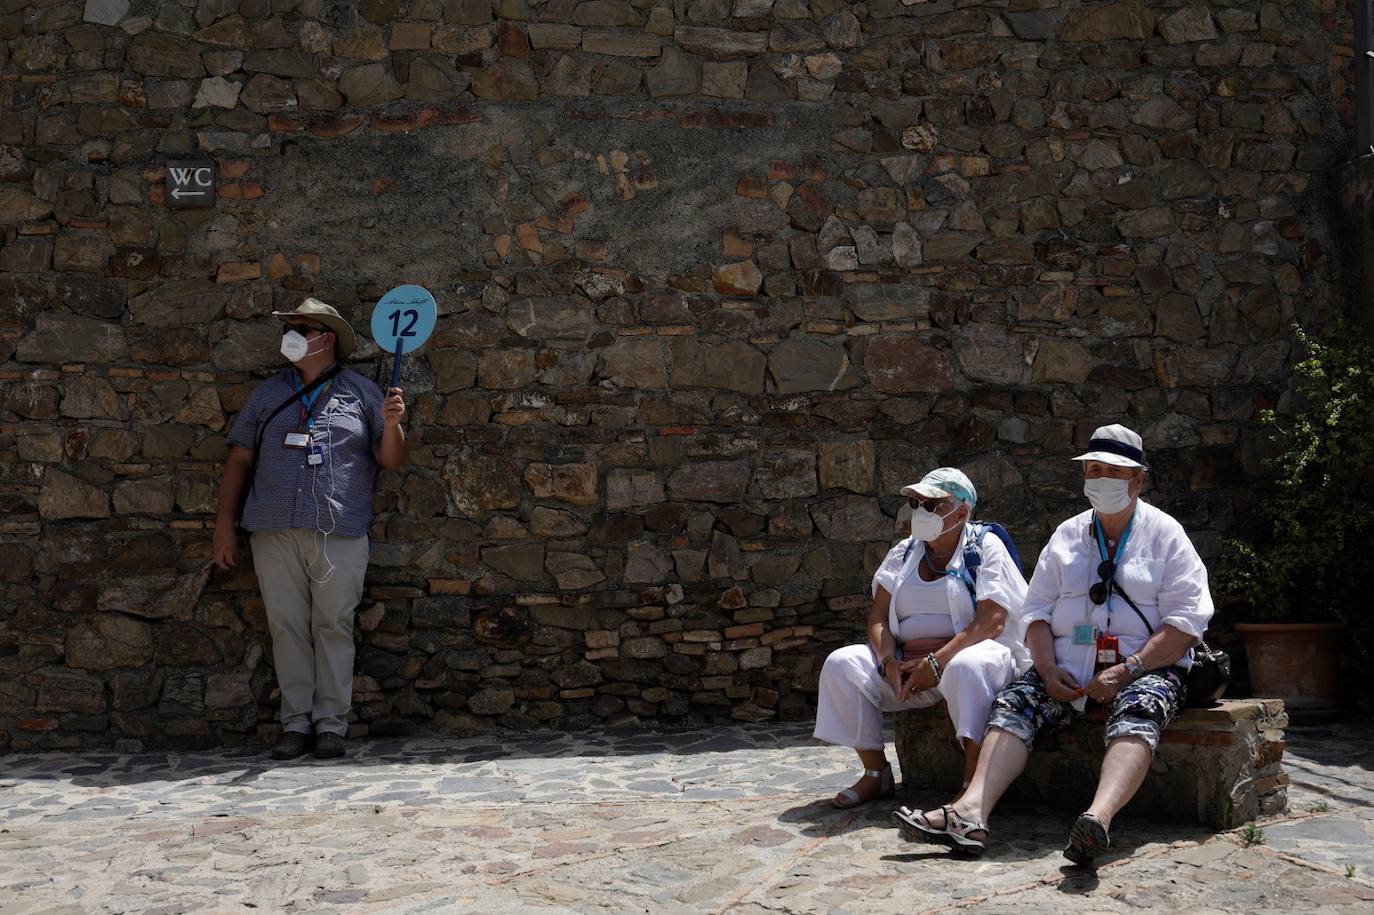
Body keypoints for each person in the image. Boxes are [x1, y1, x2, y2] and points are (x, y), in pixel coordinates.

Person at [897, 424, 1214, 863]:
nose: (1099, 480)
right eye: (1093, 470)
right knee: (1014, 704)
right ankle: (970, 812)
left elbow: (1185, 624)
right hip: (1063, 665)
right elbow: (1035, 612)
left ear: (1138, 480)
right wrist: (1045, 669)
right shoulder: (1067, 536)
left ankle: (1096, 821)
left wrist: (1127, 670)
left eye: (1112, 472)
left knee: (1142, 708)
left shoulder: (1166, 535)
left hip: (1144, 667)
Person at [211, 298, 408, 760]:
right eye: (290, 327)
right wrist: (224, 525)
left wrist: (394, 425)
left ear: (327, 338)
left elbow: (391, 460)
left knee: (333, 624)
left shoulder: (363, 393)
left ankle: (331, 725)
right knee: (286, 627)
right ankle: (295, 724)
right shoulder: (267, 394)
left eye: (301, 327)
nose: (291, 335)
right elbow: (240, 457)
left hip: (337, 528)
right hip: (272, 528)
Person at [814, 468, 1030, 808]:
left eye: (932, 505)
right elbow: (878, 616)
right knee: (842, 664)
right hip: (908, 667)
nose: (920, 512)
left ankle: (972, 785)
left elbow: (992, 621)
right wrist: (887, 662)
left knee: (966, 668)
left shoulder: (984, 546)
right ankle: (876, 774)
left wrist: (937, 661)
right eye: (916, 503)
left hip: (969, 658)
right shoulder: (904, 551)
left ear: (962, 511)